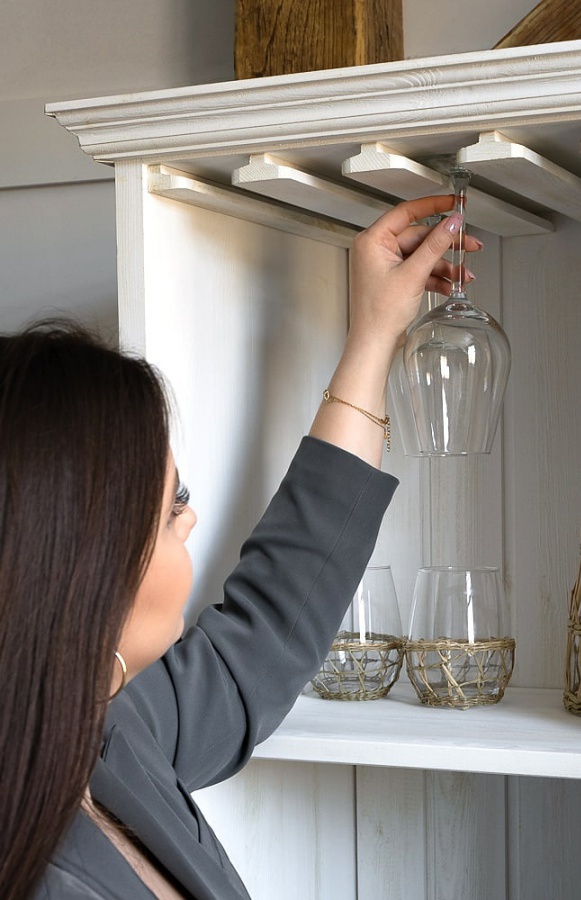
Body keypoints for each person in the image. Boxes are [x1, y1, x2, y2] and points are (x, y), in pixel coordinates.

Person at [0, 195, 480, 899]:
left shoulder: (94, 737)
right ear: (84, 563)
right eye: (171, 508)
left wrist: (376, 334)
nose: (190, 520)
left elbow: (261, 635)